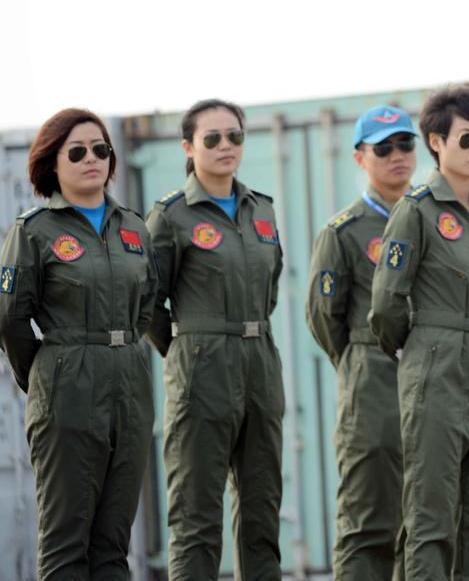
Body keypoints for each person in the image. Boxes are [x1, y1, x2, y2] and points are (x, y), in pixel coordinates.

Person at [0, 108, 157, 578]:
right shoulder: (34, 232)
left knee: (113, 544)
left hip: (128, 384)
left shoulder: (134, 228)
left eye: (101, 149)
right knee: (67, 542)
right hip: (67, 384)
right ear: (53, 163)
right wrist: (49, 376)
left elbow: (144, 305)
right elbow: (10, 318)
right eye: (77, 151)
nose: (92, 158)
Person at [369, 86, 469, 579]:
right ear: (436, 141)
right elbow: (387, 303)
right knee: (431, 516)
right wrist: (421, 350)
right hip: (435, 363)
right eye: (467, 138)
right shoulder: (415, 212)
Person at [145, 99, 284, 579]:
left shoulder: (260, 209)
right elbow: (146, 302)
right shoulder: (171, 216)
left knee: (263, 514)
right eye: (212, 138)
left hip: (260, 367)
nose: (226, 146)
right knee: (197, 518)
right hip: (201, 372)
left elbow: (271, 286)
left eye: (235, 136)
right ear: (188, 147)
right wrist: (189, 349)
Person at [306, 104, 418, 579]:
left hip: (433, 379)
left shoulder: (433, 217)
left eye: (405, 144)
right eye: (384, 147)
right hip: (372, 383)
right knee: (369, 524)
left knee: (427, 527)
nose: (398, 156)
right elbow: (323, 318)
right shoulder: (344, 232)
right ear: (359, 158)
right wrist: (360, 362)